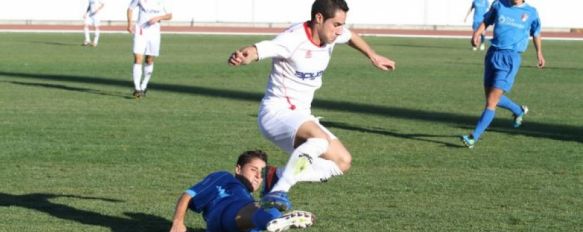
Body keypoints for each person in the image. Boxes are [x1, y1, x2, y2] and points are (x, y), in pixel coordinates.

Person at [227, 0, 396, 211]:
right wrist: (245, 55)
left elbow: (350, 36)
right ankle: (280, 188)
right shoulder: (293, 39)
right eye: (336, 24)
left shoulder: (333, 33)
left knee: (342, 162)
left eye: (342, 24)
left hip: (300, 115)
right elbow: (261, 48)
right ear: (318, 18)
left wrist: (373, 55)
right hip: (276, 113)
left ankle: (275, 176)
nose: (340, 30)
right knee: (320, 140)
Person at [461, 0, 545, 148]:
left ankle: (474, 136)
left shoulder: (531, 12)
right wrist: (477, 33)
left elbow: (536, 33)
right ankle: (518, 110)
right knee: (491, 97)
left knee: (492, 101)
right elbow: (487, 20)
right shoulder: (498, 4)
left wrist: (539, 53)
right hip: (493, 54)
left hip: (510, 58)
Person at [169, 150, 315, 232]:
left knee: (262, 210)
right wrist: (177, 223)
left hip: (236, 224)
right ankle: (273, 218)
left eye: (262, 173)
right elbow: (188, 195)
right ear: (238, 169)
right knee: (263, 207)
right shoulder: (224, 178)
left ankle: (274, 220)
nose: (258, 176)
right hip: (224, 212)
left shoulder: (250, 198)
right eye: (253, 169)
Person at [127, 0, 172, 99]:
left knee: (149, 60)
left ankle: (144, 86)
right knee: (138, 58)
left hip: (154, 34)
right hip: (140, 31)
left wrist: (159, 17)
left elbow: (169, 15)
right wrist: (130, 24)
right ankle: (137, 88)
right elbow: (130, 9)